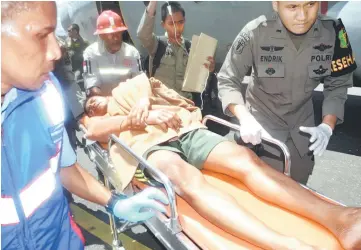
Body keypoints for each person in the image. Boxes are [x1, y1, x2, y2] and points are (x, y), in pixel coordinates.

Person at [84, 73, 361, 250]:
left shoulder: (126, 88)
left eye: (95, 100)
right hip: (150, 148)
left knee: (247, 160)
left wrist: (143, 104)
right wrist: (137, 119)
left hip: (186, 130)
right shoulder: (98, 119)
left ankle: (342, 219)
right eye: (89, 107)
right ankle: (285, 245)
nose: (93, 106)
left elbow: (145, 81)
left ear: (104, 92)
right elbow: (93, 131)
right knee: (186, 181)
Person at [1, 2, 168, 249]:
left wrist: (114, 202)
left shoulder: (46, 95)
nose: (56, 52)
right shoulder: (90, 55)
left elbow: (64, 168)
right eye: (41, 36)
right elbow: (93, 97)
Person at [217, 1, 357, 184]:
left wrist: (326, 126)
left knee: (299, 191)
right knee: (259, 193)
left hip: (301, 131)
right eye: (292, 7)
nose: (303, 16)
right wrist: (244, 118)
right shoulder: (256, 32)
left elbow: (338, 83)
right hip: (261, 131)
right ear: (276, 4)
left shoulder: (333, 33)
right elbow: (227, 79)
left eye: (310, 4)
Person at [137, 1, 216, 102]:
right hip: (161, 104)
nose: (177, 28)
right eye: (171, 23)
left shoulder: (191, 48)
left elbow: (200, 86)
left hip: (186, 105)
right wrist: (153, 2)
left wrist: (209, 71)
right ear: (163, 24)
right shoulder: (157, 45)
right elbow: (142, 35)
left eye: (180, 22)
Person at [83, 10, 141, 97]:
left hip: (128, 101)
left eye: (118, 33)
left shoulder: (133, 53)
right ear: (101, 35)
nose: (116, 38)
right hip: (104, 102)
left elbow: (139, 81)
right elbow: (91, 86)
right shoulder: (90, 54)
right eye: (111, 34)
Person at [66, 23, 89, 88]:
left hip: (81, 65)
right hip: (71, 66)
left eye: (69, 30)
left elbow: (88, 55)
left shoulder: (84, 42)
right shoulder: (67, 41)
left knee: (76, 77)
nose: (68, 32)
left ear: (75, 31)